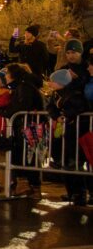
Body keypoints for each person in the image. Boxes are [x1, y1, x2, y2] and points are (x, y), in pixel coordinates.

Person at [0, 63, 45, 197]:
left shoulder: (25, 87)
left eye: (7, 73)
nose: (5, 76)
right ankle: (26, 185)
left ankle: (32, 186)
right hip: (24, 125)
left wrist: (4, 111)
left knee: (29, 155)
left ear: (14, 75)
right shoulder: (20, 86)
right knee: (23, 154)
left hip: (29, 125)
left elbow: (21, 106)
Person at [46, 69, 89, 206]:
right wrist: (56, 115)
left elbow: (78, 108)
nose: (50, 83)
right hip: (62, 129)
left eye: (52, 81)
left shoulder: (74, 94)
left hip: (74, 132)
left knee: (73, 162)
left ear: (60, 82)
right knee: (65, 162)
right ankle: (71, 192)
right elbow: (50, 107)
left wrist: (65, 115)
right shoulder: (56, 95)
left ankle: (80, 193)